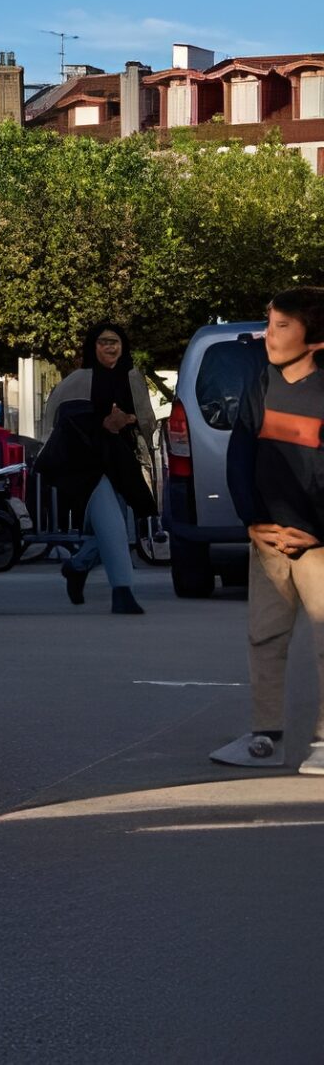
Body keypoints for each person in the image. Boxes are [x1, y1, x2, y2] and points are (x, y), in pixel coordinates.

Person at [199, 286, 324, 772]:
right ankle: (266, 737)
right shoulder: (262, 384)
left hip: (316, 543)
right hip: (268, 538)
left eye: (283, 326)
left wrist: (317, 531)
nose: (269, 335)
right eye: (269, 324)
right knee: (265, 637)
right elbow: (241, 456)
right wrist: (252, 521)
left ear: (315, 339)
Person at [37, 323, 159, 615]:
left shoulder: (132, 378)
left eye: (114, 341)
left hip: (121, 462)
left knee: (117, 530)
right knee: (113, 524)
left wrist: (128, 424)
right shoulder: (77, 380)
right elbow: (60, 424)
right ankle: (122, 592)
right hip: (85, 464)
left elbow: (146, 421)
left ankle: (77, 566)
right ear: (93, 346)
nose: (109, 347)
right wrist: (103, 424)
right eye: (103, 341)